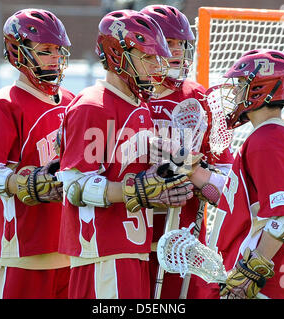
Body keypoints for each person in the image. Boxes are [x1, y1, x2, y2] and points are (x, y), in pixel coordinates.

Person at [55, 9, 194, 299]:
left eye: (159, 57)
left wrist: (174, 166)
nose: (157, 66)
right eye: (148, 58)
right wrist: (136, 190)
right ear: (118, 56)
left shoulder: (139, 106)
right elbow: (73, 186)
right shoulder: (92, 106)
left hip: (132, 248)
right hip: (102, 251)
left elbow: (137, 169)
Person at [0, 8, 75, 299]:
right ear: (19, 52)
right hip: (24, 252)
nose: (55, 57)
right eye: (46, 50)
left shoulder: (73, 102)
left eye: (58, 50)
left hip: (73, 250)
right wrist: (21, 183)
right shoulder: (3, 104)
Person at [140, 4, 234, 299]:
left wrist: (191, 170)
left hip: (182, 240)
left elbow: (227, 188)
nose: (178, 51)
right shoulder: (124, 96)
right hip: (127, 235)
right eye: (170, 43)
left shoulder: (199, 98)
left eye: (182, 43)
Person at [210, 49, 284, 299]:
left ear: (260, 90)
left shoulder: (268, 140)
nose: (235, 92)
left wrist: (249, 275)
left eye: (242, 84)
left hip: (259, 287)